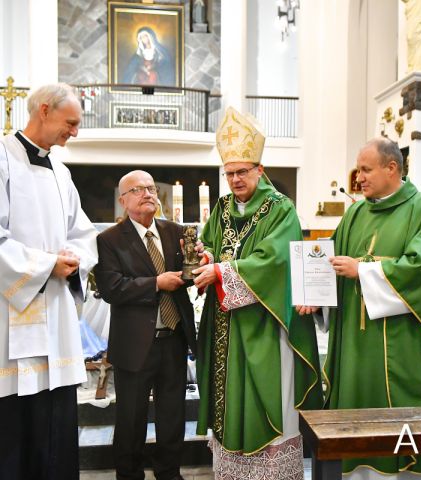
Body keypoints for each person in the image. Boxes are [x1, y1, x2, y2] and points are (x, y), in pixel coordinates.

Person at [299, 137, 421, 479]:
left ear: (392, 168)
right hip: (355, 350)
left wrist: (363, 269)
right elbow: (336, 267)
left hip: (406, 345)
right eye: (358, 170)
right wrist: (318, 297)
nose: (358, 178)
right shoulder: (355, 214)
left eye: (365, 170)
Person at [192, 107, 322, 479]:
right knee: (227, 401)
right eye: (229, 173)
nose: (234, 180)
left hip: (266, 324)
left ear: (260, 170)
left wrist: (220, 270)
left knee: (267, 400)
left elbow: (275, 260)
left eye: (242, 172)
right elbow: (212, 245)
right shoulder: (220, 208)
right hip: (225, 325)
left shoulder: (280, 210)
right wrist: (207, 256)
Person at [0, 83, 98, 480]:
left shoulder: (62, 172)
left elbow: (84, 233)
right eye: (70, 123)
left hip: (55, 319)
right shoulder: (3, 158)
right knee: (16, 428)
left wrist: (74, 261)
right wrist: (43, 265)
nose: (74, 132)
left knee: (56, 423)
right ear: (44, 110)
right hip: (11, 319)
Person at [94, 170, 197, 480]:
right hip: (135, 343)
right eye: (138, 190)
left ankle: (169, 473)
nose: (148, 193)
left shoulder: (174, 231)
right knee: (131, 419)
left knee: (172, 416)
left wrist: (198, 264)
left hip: (173, 338)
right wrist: (155, 283)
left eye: (151, 188)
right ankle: (129, 475)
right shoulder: (109, 239)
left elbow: (186, 276)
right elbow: (112, 288)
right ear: (123, 200)